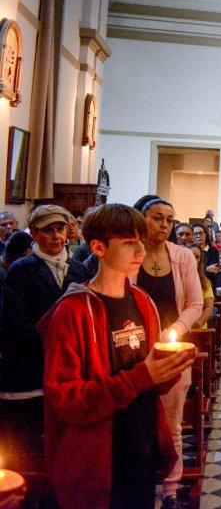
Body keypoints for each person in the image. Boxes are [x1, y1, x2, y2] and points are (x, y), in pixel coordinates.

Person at [38, 204, 193, 509]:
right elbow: (66, 398)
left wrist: (169, 369)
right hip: (99, 454)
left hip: (142, 444)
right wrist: (143, 377)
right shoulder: (74, 311)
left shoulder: (142, 302)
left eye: (141, 241)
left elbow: (149, 380)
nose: (141, 250)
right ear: (98, 247)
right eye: (128, 243)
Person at [0, 205, 88, 489]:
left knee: (64, 444)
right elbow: (17, 322)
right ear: (34, 234)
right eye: (47, 230)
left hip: (69, 368)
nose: (55, 236)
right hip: (31, 367)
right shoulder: (22, 270)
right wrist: (56, 346)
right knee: (28, 444)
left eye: (60, 229)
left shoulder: (78, 269)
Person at [137, 198, 203, 508]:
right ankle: (139, 484)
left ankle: (169, 489)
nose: (164, 225)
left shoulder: (182, 257)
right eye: (157, 218)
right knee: (137, 424)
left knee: (172, 424)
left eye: (169, 220)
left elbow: (195, 303)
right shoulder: (130, 253)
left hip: (172, 351)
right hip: (134, 353)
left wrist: (173, 328)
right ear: (142, 219)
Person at [186, 243, 215, 328]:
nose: (194, 259)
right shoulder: (176, 278)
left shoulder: (204, 282)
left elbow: (208, 308)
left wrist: (198, 323)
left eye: (197, 257)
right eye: (191, 255)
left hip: (198, 328)